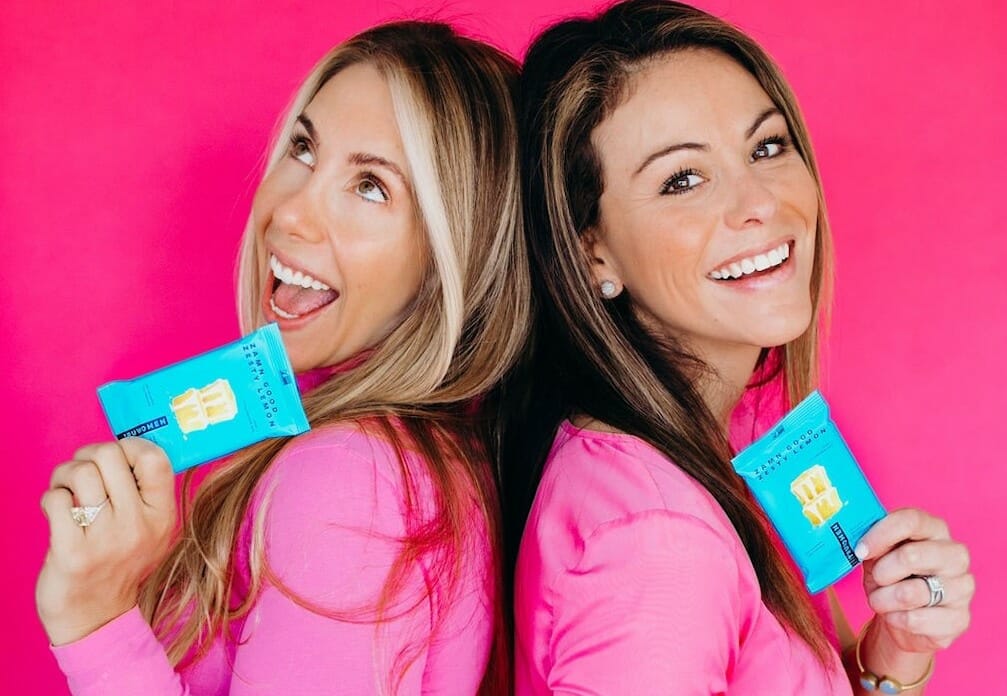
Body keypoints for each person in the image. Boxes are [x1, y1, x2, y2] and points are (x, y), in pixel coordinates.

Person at [36, 20, 529, 695]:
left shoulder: (352, 481)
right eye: (304, 147)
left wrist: (97, 619)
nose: (289, 213)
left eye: (371, 186)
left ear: (457, 259)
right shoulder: (430, 457)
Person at [500, 1, 974, 693]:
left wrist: (894, 654)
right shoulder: (655, 542)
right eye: (682, 180)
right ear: (592, 253)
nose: (759, 201)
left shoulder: (734, 442)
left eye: (766, 147)